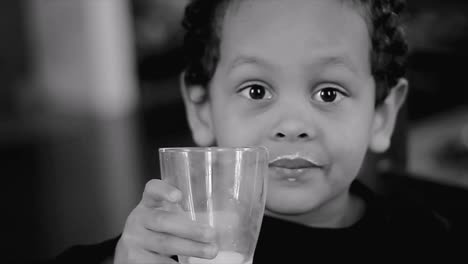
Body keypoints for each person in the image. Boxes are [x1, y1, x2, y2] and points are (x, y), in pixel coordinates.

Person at [49, 0, 455, 263]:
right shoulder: (180, 245)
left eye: (329, 92)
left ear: (381, 115)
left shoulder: (421, 239)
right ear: (202, 109)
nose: (292, 126)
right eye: (256, 90)